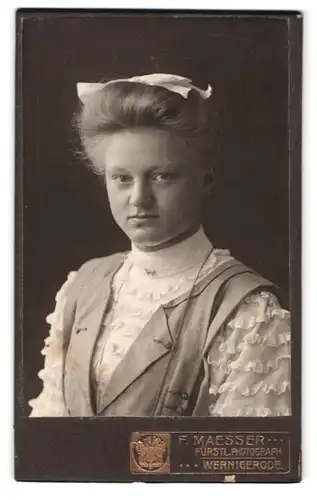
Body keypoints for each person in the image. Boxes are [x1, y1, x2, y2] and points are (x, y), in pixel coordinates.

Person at [29, 73, 291, 418]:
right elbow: (49, 426)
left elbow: (239, 463)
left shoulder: (248, 312)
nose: (139, 199)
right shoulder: (82, 285)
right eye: (122, 178)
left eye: (161, 176)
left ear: (204, 179)